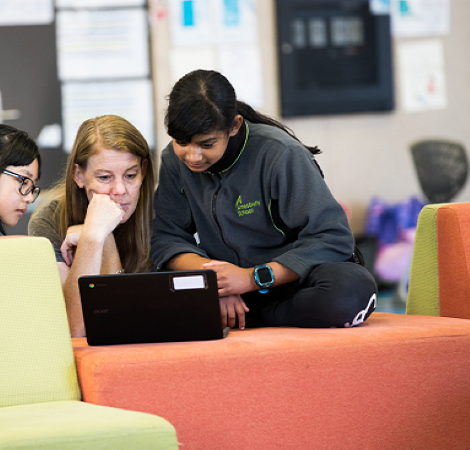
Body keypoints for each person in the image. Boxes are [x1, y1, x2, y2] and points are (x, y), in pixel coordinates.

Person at [151, 69, 377, 330]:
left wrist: (250, 279)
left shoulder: (281, 154)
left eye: (207, 144)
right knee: (148, 293)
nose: (192, 155)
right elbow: (167, 238)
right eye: (181, 142)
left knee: (350, 291)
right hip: (223, 285)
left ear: (234, 125)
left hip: (287, 282)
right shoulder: (172, 160)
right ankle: (240, 313)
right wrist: (217, 280)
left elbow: (332, 238)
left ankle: (259, 317)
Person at [29, 115, 155, 337]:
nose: (120, 190)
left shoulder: (161, 214)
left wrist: (96, 234)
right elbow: (76, 328)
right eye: (105, 177)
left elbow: (122, 323)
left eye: (131, 175)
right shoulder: (48, 219)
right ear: (79, 175)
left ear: (143, 171)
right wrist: (94, 237)